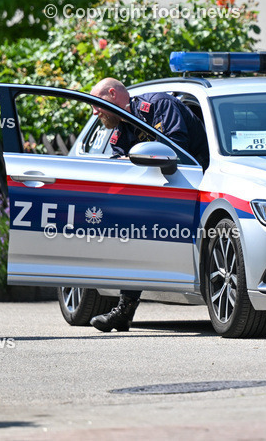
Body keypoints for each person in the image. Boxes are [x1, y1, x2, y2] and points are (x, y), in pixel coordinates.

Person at [86, 78, 209, 332]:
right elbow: (122, 163)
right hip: (162, 189)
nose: (94, 112)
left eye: (97, 104)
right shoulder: (122, 129)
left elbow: (178, 149)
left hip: (200, 182)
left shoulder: (159, 105)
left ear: (112, 94)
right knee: (132, 233)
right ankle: (124, 311)